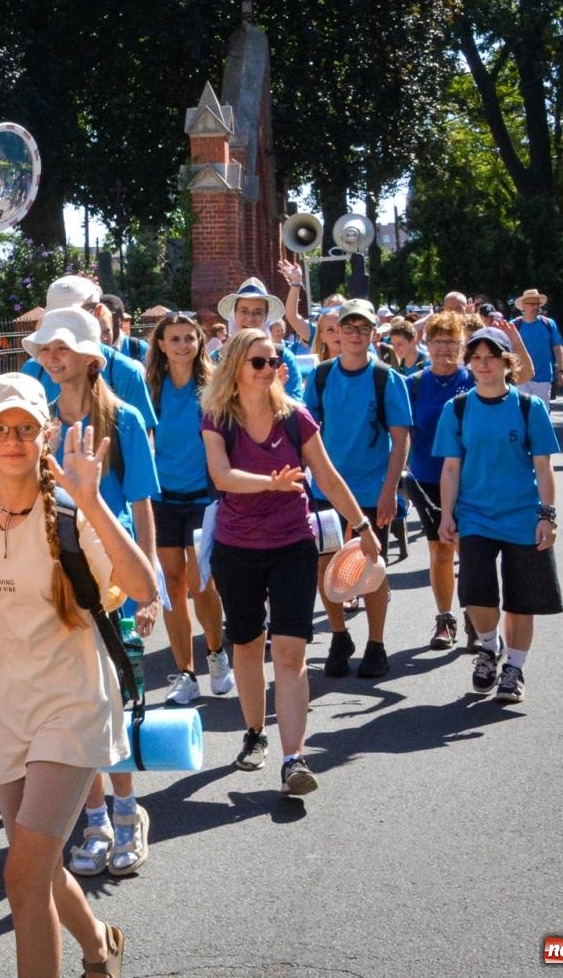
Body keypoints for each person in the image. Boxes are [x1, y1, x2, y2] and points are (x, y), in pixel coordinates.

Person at [0, 373, 157, 978]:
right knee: (45, 868)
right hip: (7, 718)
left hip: (73, 709)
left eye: (25, 428)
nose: (12, 440)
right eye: (0, 428)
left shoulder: (70, 514)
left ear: (46, 435)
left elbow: (142, 587)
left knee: (21, 877)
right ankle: (99, 946)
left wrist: (91, 500)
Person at [200, 329, 379, 794]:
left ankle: (294, 758)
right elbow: (222, 476)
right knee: (246, 644)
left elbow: (328, 476)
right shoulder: (218, 417)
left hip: (292, 544)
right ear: (236, 366)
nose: (268, 368)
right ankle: (255, 734)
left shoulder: (295, 417)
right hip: (236, 547)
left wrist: (362, 526)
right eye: (257, 361)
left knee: (290, 650)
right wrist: (269, 484)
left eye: (273, 360)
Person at [23, 307, 160, 879]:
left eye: (62, 349)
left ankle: (128, 812)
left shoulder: (123, 419)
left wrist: (149, 590)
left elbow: (145, 507)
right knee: (75, 701)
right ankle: (95, 816)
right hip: (58, 575)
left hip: (114, 577)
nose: (52, 359)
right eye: (46, 350)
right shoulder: (40, 423)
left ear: (90, 358)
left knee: (115, 697)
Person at [437, 328, 563, 704]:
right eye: (475, 358)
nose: (483, 364)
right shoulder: (457, 408)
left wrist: (548, 515)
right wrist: (447, 514)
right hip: (475, 516)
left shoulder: (529, 408)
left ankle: (515, 669)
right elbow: (451, 469)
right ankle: (489, 650)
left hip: (523, 516)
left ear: (508, 363)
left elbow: (543, 467)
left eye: (491, 357)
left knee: (521, 598)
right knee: (476, 591)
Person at [403, 313, 534, 650]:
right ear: (427, 344)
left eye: (452, 341)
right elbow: (400, 432)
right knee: (440, 552)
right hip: (429, 479)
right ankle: (445, 619)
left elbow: (525, 376)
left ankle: (476, 619)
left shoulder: (475, 377)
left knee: (472, 554)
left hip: (472, 479)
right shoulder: (413, 383)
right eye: (438, 340)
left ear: (462, 346)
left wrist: (514, 340)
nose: (444, 347)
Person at [301, 299, 413, 678]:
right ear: (335, 333)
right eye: (347, 327)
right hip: (325, 492)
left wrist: (389, 490)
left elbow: (400, 440)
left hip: (371, 491)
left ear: (373, 333)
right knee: (324, 564)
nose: (353, 334)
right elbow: (304, 431)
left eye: (362, 328)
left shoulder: (386, 378)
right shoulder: (320, 377)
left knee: (371, 568)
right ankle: (338, 635)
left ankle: (376, 643)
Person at [144, 312, 229, 703]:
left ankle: (215, 653)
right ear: (161, 345)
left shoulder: (212, 386)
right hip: (160, 501)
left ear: (199, 343)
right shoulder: (150, 388)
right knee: (171, 587)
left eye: (188, 339)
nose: (181, 345)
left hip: (202, 499)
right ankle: (185, 672)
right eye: (173, 339)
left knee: (201, 585)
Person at [21, 276, 157, 429]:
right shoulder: (33, 370)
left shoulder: (125, 372)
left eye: (74, 315)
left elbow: (142, 435)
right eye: (56, 315)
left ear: (98, 311)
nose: (63, 324)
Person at [217, 277, 306, 401]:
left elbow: (295, 408)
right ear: (234, 314)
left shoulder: (283, 357)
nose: (250, 318)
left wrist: (274, 392)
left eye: (258, 312)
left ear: (266, 317)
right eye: (244, 311)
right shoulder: (217, 358)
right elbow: (207, 408)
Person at [510, 289, 563, 402]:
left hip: (543, 377)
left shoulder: (548, 324)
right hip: (521, 377)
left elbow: (558, 348)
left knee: (541, 413)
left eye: (538, 304)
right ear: (523, 306)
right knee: (523, 414)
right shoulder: (514, 325)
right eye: (532, 304)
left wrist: (561, 371)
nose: (536, 307)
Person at [99, 293, 149, 363]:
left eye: (112, 315)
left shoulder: (139, 348)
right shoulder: (92, 350)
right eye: (102, 315)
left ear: (121, 319)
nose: (107, 319)